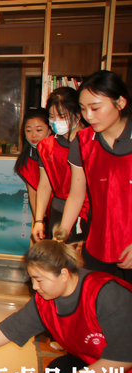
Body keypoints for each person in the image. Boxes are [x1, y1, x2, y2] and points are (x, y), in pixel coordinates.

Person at [0, 228, 132, 373]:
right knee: (57, 372)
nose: (35, 287)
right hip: (103, 367)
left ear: (64, 275)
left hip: (123, 369)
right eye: (32, 279)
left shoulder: (107, 294)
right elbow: (11, 329)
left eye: (39, 280)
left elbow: (124, 358)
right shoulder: (45, 300)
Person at [59, 70, 132, 284]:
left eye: (95, 108)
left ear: (120, 102)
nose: (88, 116)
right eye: (83, 109)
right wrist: (60, 237)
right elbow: (76, 195)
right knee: (95, 296)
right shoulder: (82, 141)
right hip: (98, 241)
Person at [31, 88, 89, 243]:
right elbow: (44, 185)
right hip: (58, 210)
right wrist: (39, 220)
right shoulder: (46, 146)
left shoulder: (90, 142)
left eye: (62, 116)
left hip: (88, 214)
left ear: (78, 114)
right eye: (51, 116)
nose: (56, 121)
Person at [14, 108, 53, 217]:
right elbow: (33, 194)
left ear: (50, 129)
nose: (34, 135)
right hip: (46, 214)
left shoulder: (58, 155)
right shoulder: (27, 161)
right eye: (29, 130)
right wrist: (39, 221)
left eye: (39, 130)